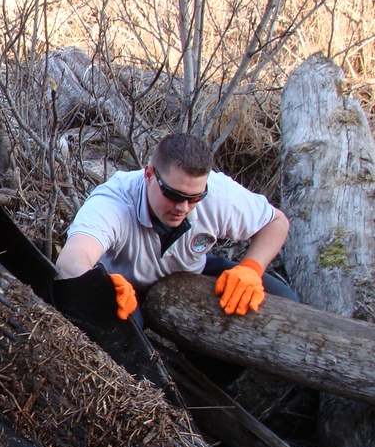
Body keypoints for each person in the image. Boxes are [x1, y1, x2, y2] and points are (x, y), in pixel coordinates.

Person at [55, 132, 297, 323]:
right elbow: (71, 259)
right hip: (125, 288)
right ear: (149, 175)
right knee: (121, 329)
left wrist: (252, 267)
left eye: (194, 198)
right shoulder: (114, 201)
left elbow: (276, 222)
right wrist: (99, 285)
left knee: (280, 299)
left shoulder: (218, 195)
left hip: (190, 272)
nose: (183, 207)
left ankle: (220, 377)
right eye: (173, 194)